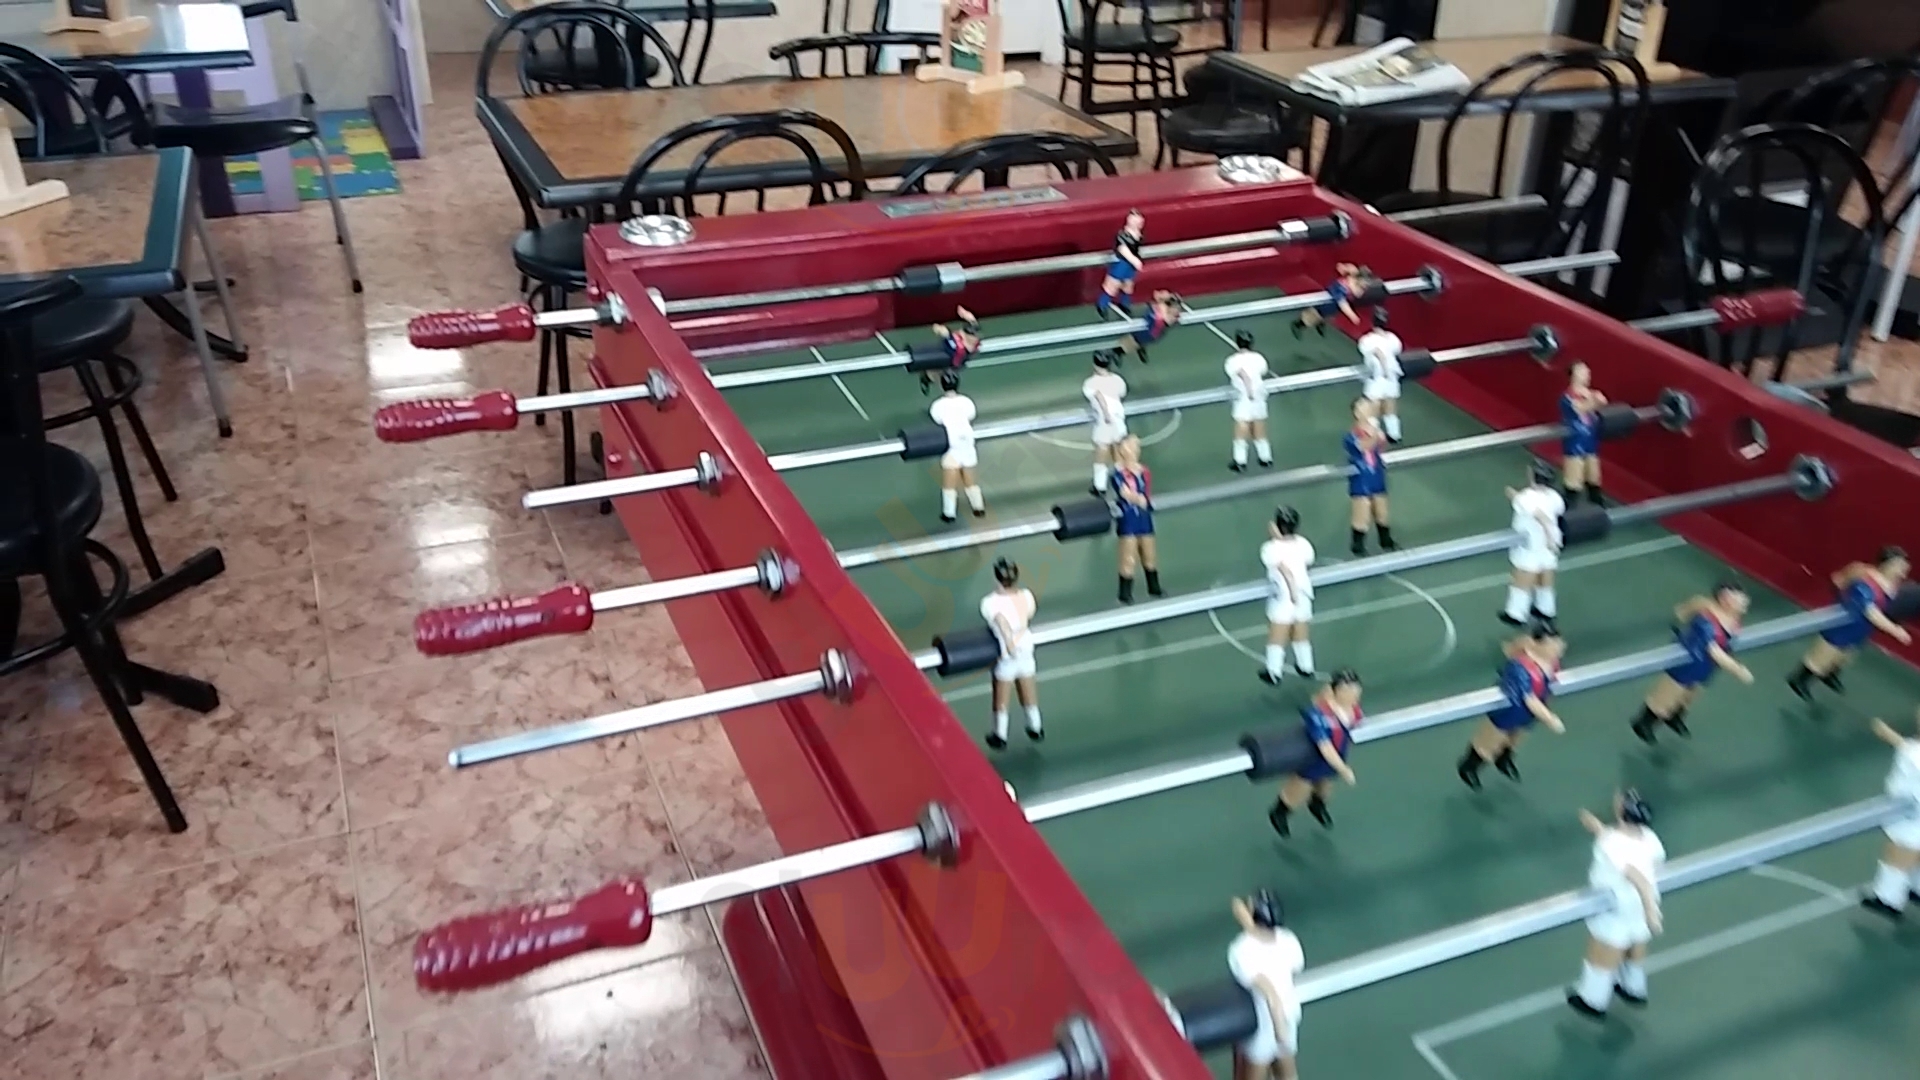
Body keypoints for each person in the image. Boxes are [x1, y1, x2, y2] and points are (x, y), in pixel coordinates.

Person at [1567, 790, 1664, 1019]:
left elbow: (1636, 876)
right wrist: (1597, 828)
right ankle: (1633, 987)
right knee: (1635, 941)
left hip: (1617, 903)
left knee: (1604, 948)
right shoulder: (1649, 837)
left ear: (1622, 811)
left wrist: (1651, 911)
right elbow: (1622, 846)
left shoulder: (1612, 843)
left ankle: (1593, 1000)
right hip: (1638, 904)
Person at [1630, 583, 1754, 744]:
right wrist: (1738, 670)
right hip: (1689, 662)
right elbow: (1714, 651)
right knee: (1668, 694)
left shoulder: (1733, 620)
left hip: (1707, 666)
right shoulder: (1706, 622)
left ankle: (1675, 715)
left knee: (1691, 694)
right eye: (1740, 600)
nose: (1745, 603)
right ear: (1725, 599)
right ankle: (1645, 723)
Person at [1787, 546, 1913, 700]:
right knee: (1826, 653)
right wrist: (1895, 630)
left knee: (1846, 655)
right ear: (1888, 564)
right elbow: (1870, 611)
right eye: (1900, 567)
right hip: (1844, 624)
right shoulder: (1865, 582)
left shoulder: (1891, 584)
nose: (1903, 572)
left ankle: (1829, 673)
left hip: (1862, 628)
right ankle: (1800, 679)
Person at [1458, 622, 1567, 789]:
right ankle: (1470, 766)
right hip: (1511, 711)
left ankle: (1504, 758)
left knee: (1516, 738)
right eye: (1555, 644)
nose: (1561, 647)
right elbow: (1529, 699)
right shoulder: (1520, 668)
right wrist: (1550, 719)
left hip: (1531, 713)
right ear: (1540, 644)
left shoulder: (1550, 663)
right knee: (1490, 741)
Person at [1268, 669, 1361, 837]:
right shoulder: (1318, 715)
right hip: (1313, 756)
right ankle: (1280, 812)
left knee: (1325, 786)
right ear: (1335, 691)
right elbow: (1325, 747)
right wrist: (1343, 769)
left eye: (1356, 690)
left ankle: (1317, 805)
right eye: (1349, 690)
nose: (1354, 695)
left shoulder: (1352, 710)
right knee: (1300, 788)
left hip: (1338, 753)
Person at [1227, 890, 1306, 1080]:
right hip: (1288, 1019)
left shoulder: (1241, 949)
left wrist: (1278, 1030)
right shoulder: (1289, 940)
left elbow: (1269, 992)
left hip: (1262, 1026)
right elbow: (1295, 966)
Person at [1861, 710, 1920, 920]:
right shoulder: (1914, 746)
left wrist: (1889, 735)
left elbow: (1914, 756)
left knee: (1900, 853)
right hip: (1908, 810)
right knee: (1912, 854)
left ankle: (1889, 900)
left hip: (1913, 814)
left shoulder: (1913, 750)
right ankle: (1916, 887)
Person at [981, 558, 1043, 750]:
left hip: (1006, 654)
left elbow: (1000, 622)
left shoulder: (989, 602)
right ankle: (1035, 726)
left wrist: (1009, 643)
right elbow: (1029, 614)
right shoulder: (1027, 596)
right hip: (1026, 648)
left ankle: (1000, 734)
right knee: (1028, 689)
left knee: (1001, 695)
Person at [1501, 461, 1567, 632]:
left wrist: (1512, 494)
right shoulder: (1555, 497)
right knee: (1545, 576)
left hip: (1530, 545)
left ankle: (1516, 614)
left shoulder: (1526, 497)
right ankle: (1545, 610)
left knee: (1523, 578)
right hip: (1549, 546)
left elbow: (1539, 515)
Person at [1259, 505, 1316, 685]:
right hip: (1303, 593)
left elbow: (1279, 565)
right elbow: (1308, 560)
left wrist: (1276, 539)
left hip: (1283, 596)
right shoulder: (1304, 544)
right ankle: (1306, 666)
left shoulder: (1270, 548)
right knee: (1301, 630)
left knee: (1277, 633)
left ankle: (1274, 672)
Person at [928, 370, 984, 523]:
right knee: (970, 479)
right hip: (967, 442)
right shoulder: (967, 402)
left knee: (949, 483)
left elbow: (937, 420)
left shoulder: (938, 405)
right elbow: (971, 415)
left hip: (952, 443)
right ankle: (978, 507)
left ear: (942, 385)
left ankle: (949, 513)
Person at [1111, 436, 1162, 603]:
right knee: (1128, 557)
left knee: (1149, 554)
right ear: (1123, 450)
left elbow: (1147, 492)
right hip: (1128, 517)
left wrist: (1143, 500)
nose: (1135, 450)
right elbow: (1124, 493)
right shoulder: (1118, 475)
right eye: (1131, 446)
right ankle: (1125, 592)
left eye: (1136, 447)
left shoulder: (1144, 471)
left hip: (1144, 516)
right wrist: (1137, 499)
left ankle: (1154, 587)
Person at [1345, 397, 1395, 556]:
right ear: (1356, 412)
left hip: (1376, 473)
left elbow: (1381, 445)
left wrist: (1378, 434)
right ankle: (1358, 545)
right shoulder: (1351, 436)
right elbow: (1365, 446)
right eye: (1363, 407)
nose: (1368, 409)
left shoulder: (1375, 431)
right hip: (1361, 477)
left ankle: (1386, 541)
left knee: (1382, 510)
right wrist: (1375, 433)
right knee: (1362, 512)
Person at [1225, 329, 1274, 472]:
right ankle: (1265, 458)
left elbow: (1242, 373)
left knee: (1241, 429)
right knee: (1259, 426)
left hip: (1244, 396)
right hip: (1259, 395)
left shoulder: (1232, 361)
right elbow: (1263, 371)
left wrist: (1248, 389)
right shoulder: (1259, 358)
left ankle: (1240, 461)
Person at [1560, 363, 1607, 505]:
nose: (1587, 373)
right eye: (1583, 371)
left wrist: (1595, 400)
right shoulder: (1567, 397)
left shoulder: (1589, 394)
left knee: (1594, 477)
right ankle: (1568, 508)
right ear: (1574, 375)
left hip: (1590, 440)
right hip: (1575, 442)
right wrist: (1594, 400)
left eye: (1587, 371)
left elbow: (1602, 402)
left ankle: (1598, 505)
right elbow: (1581, 408)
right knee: (1574, 480)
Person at [1084, 349, 1129, 496]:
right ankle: (1123, 482)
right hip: (1119, 419)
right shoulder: (1118, 380)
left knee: (1102, 452)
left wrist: (1105, 413)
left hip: (1104, 421)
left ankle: (1100, 486)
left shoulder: (1090, 383)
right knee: (1118, 450)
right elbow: (1121, 394)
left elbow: (1096, 397)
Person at [1356, 307, 1405, 443]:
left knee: (1373, 407)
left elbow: (1378, 352)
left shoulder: (1366, 340)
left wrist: (1383, 369)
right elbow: (1396, 351)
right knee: (1390, 406)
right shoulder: (1393, 339)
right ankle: (1394, 435)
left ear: (1372, 322)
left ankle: (1373, 434)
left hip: (1377, 376)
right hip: (1392, 376)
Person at [1293, 262, 1368, 337]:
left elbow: (1358, 293)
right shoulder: (1340, 288)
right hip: (1325, 304)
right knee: (1313, 316)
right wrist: (1352, 316)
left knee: (1327, 315)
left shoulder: (1355, 282)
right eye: (1362, 286)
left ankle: (1320, 322)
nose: (1362, 289)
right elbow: (1342, 304)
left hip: (1333, 307)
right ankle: (1298, 325)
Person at [1097, 209, 1146, 319]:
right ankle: (1102, 304)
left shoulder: (1138, 234)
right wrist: (1134, 260)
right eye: (1136, 220)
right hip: (1121, 262)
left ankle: (1124, 304)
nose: (1139, 223)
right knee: (1113, 284)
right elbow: (1123, 250)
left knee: (1128, 284)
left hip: (1130, 264)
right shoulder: (1122, 235)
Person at [921, 305, 980, 394]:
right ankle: (928, 377)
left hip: (952, 359)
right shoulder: (971, 336)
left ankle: (927, 378)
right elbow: (971, 319)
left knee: (937, 374)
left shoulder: (957, 345)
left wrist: (939, 329)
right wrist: (964, 313)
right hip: (952, 351)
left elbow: (942, 331)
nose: (974, 339)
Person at [1117, 289, 1181, 364]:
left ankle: (1119, 351)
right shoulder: (1163, 306)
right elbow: (1157, 295)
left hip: (1153, 331)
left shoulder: (1167, 312)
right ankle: (1121, 351)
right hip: (1152, 327)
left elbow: (1168, 319)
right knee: (1136, 338)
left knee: (1136, 340)